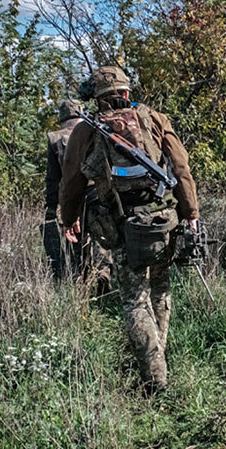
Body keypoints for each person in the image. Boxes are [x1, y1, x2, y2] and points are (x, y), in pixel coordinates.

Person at [58, 66, 200, 393]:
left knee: (135, 301)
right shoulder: (154, 118)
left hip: (123, 225)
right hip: (165, 219)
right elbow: (180, 168)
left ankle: (154, 376)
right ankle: (158, 361)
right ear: (125, 92)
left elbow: (72, 182)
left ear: (97, 98)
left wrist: (69, 218)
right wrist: (190, 211)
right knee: (161, 289)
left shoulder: (87, 130)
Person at [43, 99, 111, 288]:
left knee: (77, 240)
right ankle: (103, 279)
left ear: (62, 117)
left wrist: (50, 209)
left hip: (72, 197)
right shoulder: (97, 131)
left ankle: (84, 282)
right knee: (102, 240)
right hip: (99, 194)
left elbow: (53, 180)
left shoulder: (55, 138)